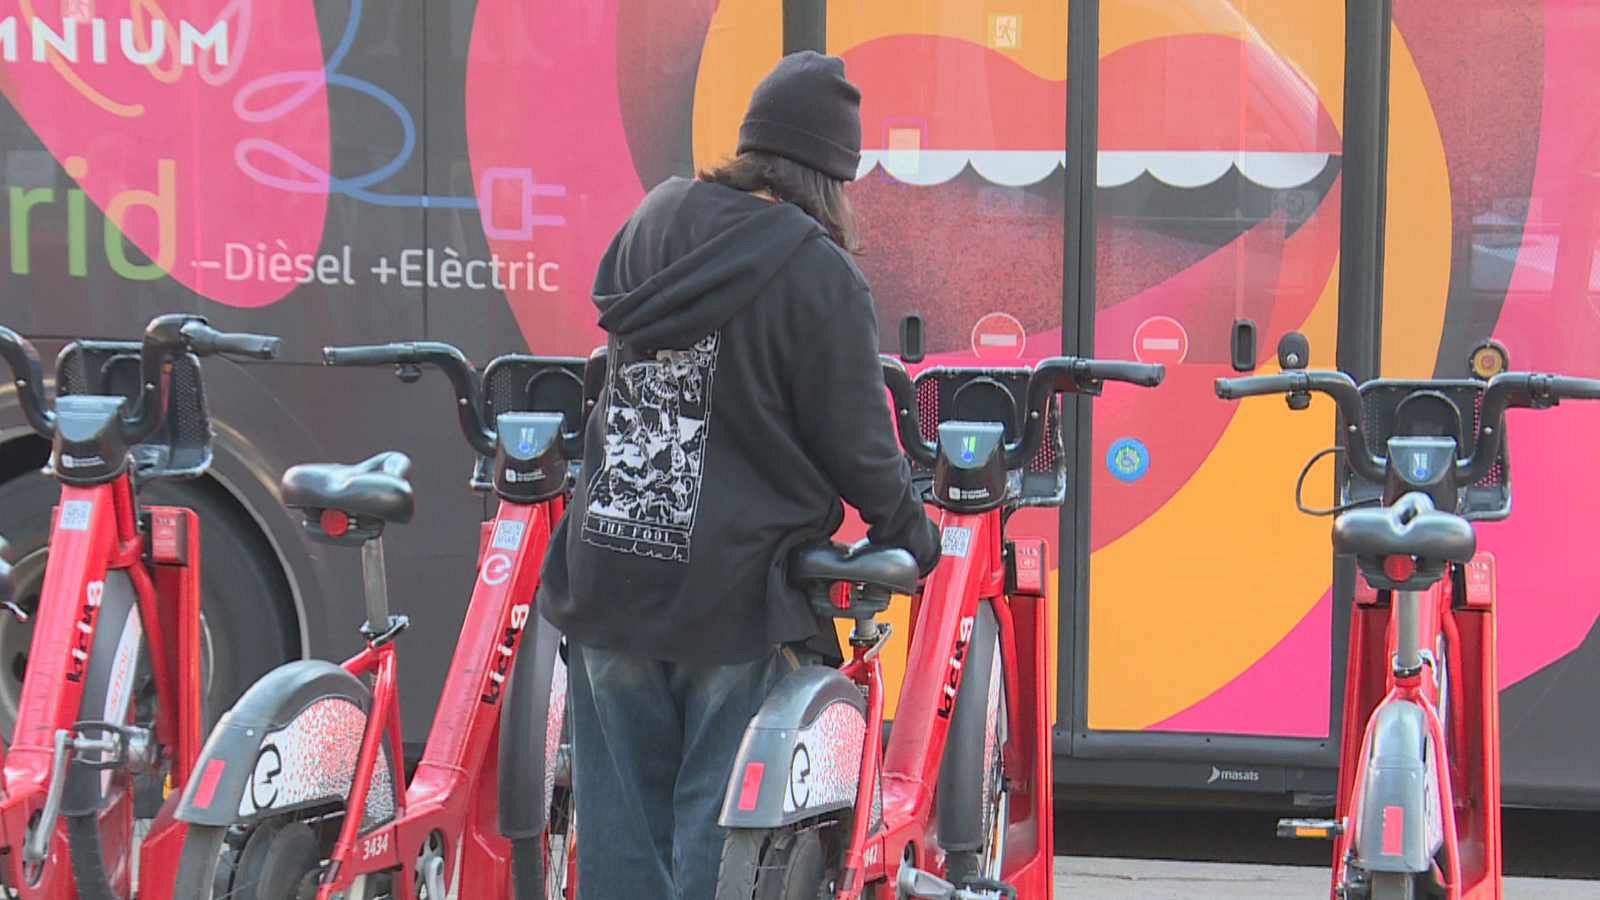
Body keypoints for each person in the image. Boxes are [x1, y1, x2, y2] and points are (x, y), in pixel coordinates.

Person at [537, 50, 942, 899]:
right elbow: (858, 442)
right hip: (728, 594)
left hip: (606, 569)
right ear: (833, 175)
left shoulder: (654, 219)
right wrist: (909, 532)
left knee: (617, 843)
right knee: (712, 844)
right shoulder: (817, 272)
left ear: (752, 146)